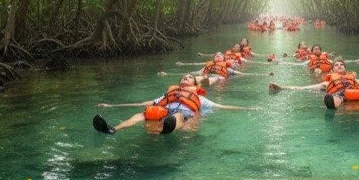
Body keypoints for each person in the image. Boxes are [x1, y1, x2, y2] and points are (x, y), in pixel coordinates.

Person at [93, 73, 255, 135]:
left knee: (179, 115)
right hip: (163, 112)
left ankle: (166, 130)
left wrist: (247, 108)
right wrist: (110, 106)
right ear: (178, 83)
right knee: (145, 112)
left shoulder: (199, 98)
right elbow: (142, 102)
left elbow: (221, 107)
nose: (185, 78)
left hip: (182, 116)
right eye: (183, 77)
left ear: (194, 83)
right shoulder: (168, 94)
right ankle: (113, 129)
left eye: (189, 77)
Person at [268, 58, 359, 112]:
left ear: (345, 68)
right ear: (333, 69)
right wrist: (281, 87)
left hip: (357, 95)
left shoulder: (356, 81)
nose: (339, 66)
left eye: (341, 65)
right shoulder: (327, 82)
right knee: (336, 98)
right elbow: (302, 88)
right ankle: (331, 106)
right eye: (336, 65)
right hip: (338, 95)